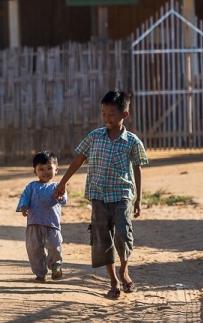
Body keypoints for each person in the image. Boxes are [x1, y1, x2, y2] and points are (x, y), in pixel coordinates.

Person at [54, 89, 148, 300]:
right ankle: (113, 280)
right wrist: (62, 182)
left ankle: (124, 270)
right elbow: (78, 160)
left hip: (122, 195)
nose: (106, 118)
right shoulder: (94, 137)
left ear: (124, 115)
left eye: (111, 114)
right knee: (102, 239)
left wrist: (139, 199)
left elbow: (137, 168)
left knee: (123, 235)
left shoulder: (131, 141)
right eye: (103, 113)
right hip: (98, 197)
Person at [16, 150, 67, 282]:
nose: (46, 172)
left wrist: (60, 197)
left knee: (55, 247)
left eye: (49, 168)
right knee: (34, 250)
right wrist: (23, 206)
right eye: (41, 169)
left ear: (57, 170)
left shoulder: (58, 186)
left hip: (52, 225)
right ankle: (40, 273)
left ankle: (56, 267)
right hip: (34, 224)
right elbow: (25, 198)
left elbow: (63, 200)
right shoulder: (31, 186)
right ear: (35, 171)